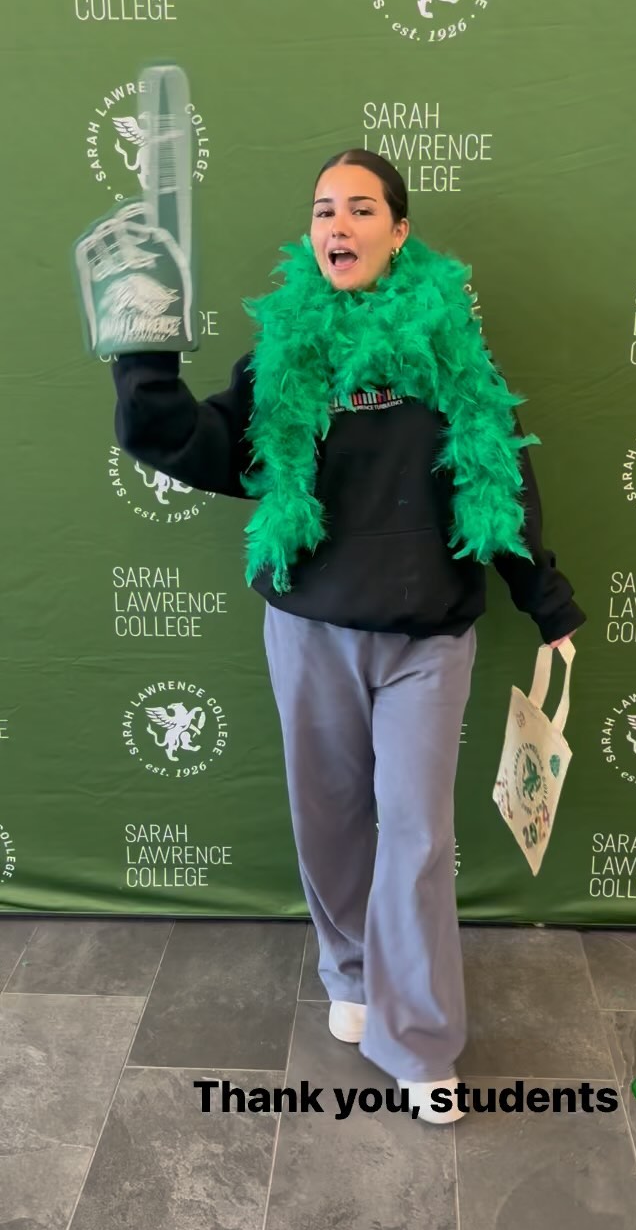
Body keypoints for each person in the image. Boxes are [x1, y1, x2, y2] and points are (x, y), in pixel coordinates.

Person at [100, 146, 586, 1125]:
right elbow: (206, 448)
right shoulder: (282, 353)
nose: (339, 225)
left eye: (361, 208)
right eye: (325, 208)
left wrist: (548, 600)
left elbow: (499, 483)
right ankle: (351, 970)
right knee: (327, 823)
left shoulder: (454, 351)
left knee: (415, 837)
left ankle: (420, 1041)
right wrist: (145, 358)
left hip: (427, 637)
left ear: (399, 231)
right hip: (310, 627)